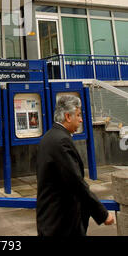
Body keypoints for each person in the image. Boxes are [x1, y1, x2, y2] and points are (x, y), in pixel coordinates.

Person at [36, 95, 114, 236]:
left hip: (50, 221)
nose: (81, 119)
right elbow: (76, 182)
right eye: (78, 115)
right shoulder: (61, 141)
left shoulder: (49, 137)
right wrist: (102, 213)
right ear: (67, 116)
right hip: (61, 225)